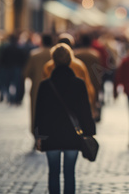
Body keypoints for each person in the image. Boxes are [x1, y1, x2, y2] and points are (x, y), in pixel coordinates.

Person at [35, 44, 95, 194]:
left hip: (51, 135)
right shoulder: (78, 84)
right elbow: (85, 112)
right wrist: (89, 132)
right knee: (70, 173)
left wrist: (39, 136)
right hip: (72, 135)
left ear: (53, 61)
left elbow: (40, 114)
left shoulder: (45, 85)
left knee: (53, 172)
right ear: (70, 60)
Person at [43, 36, 97, 118]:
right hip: (75, 107)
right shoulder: (79, 65)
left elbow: (44, 92)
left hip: (53, 109)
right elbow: (88, 87)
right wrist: (91, 107)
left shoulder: (48, 66)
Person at [24, 34, 53, 135]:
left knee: (35, 112)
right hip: (52, 88)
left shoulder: (35, 55)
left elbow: (27, 73)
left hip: (37, 87)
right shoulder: (54, 55)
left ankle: (36, 134)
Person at [75, 34, 102, 121]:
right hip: (91, 85)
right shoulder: (94, 55)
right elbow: (97, 73)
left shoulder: (76, 54)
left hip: (78, 84)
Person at [0, 34, 27, 104]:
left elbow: (2, 59)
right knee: (17, 84)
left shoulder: (6, 48)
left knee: (7, 84)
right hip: (16, 68)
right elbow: (23, 60)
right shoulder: (19, 49)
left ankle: (9, 97)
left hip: (7, 68)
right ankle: (15, 99)